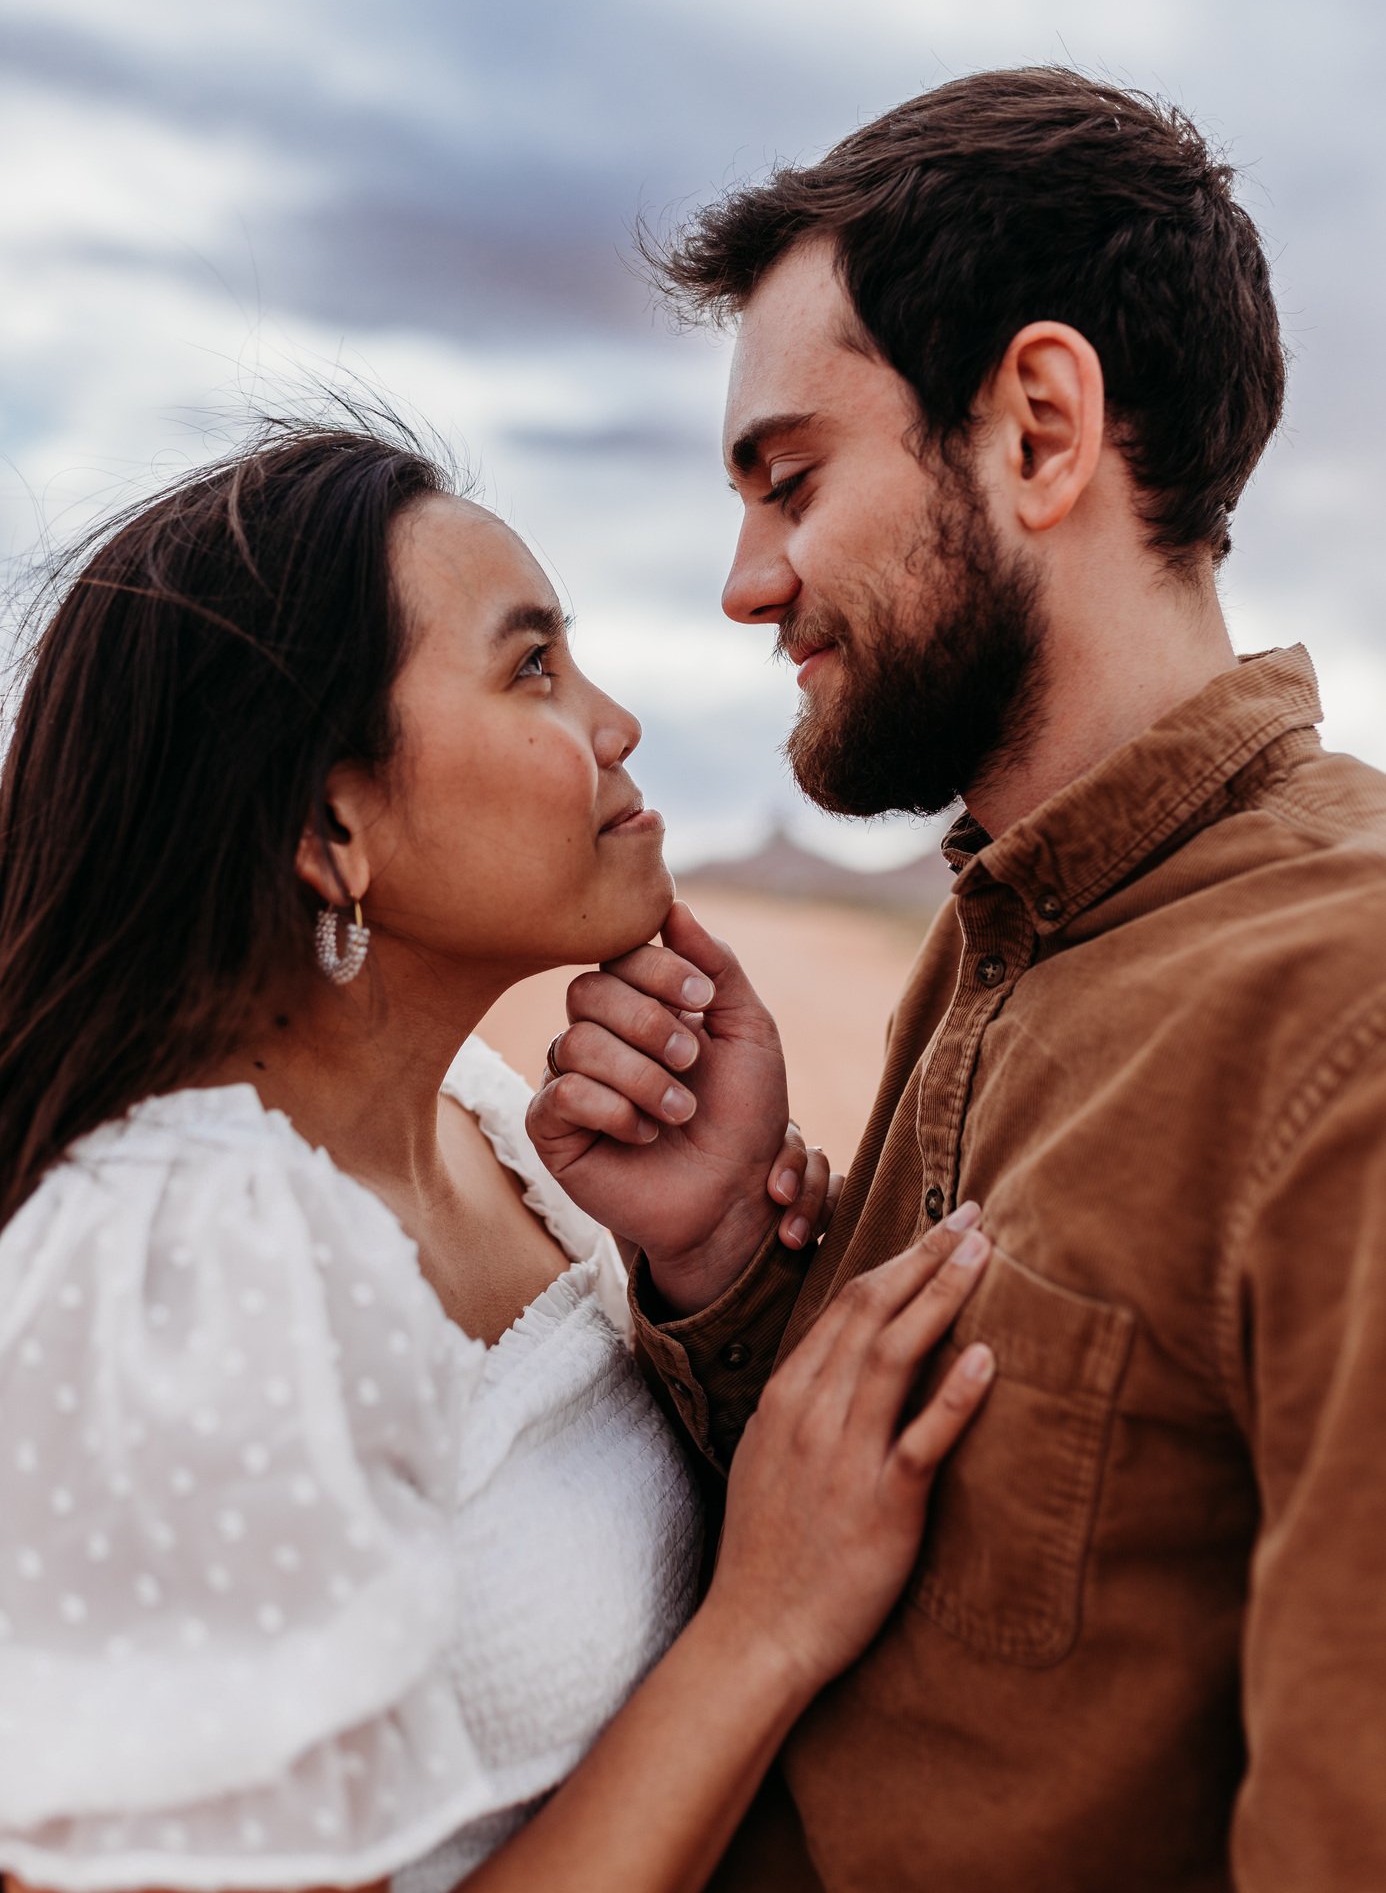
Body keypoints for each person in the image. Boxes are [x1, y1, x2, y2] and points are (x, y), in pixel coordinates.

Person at [527, 68, 1386, 1891]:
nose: (746, 584)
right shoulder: (1012, 921)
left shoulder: (1344, 1012)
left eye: (790, 481)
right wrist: (729, 1261)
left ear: (1039, 433)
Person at [0, 421, 1001, 1893]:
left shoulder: (484, 1124)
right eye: (532, 668)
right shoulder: (182, 1280)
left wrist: (704, 1254)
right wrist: (765, 1626)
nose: (617, 724)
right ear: (332, 827)